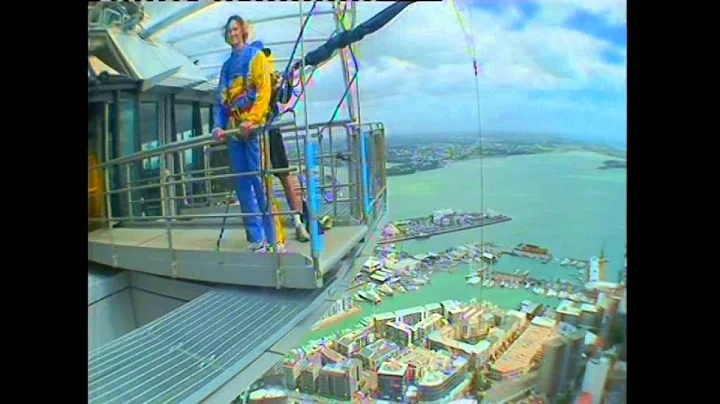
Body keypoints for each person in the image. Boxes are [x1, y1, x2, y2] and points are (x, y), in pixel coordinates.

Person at [212, 15, 280, 252]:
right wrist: (218, 126)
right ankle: (255, 238)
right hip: (234, 129)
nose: (232, 33)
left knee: (259, 180)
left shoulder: (255, 57)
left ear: (242, 31)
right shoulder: (226, 66)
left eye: (235, 29)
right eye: (228, 30)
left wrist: (252, 119)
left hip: (251, 128)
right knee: (242, 183)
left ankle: (274, 238)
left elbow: (264, 91)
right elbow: (220, 100)